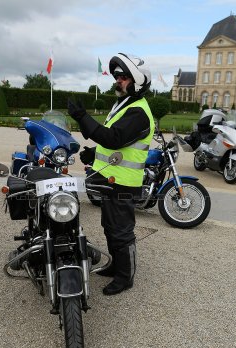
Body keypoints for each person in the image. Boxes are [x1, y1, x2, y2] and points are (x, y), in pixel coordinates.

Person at [68, 53, 155, 295]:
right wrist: (94, 154)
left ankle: (125, 277)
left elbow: (114, 138)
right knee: (110, 226)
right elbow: (117, 143)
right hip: (112, 180)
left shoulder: (138, 112)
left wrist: (81, 117)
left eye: (124, 77)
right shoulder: (124, 105)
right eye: (117, 76)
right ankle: (116, 266)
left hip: (124, 184)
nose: (118, 80)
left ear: (139, 82)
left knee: (121, 231)